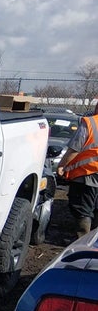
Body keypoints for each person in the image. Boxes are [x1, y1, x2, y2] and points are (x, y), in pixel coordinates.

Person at [57, 101, 98, 237]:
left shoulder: (90, 123)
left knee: (83, 210)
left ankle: (82, 241)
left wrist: (62, 165)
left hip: (88, 174)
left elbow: (74, 149)